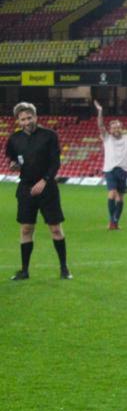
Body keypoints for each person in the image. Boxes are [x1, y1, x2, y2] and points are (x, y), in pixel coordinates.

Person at [5, 102, 71, 280]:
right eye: (22, 119)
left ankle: (64, 268)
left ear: (35, 117)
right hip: (25, 188)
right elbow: (11, 157)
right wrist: (13, 165)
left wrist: (44, 180)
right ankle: (24, 270)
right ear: (18, 120)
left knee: (55, 229)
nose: (26, 122)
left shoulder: (49, 136)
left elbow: (55, 163)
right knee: (26, 229)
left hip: (47, 188)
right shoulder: (14, 139)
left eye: (29, 118)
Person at [94, 100, 127, 230]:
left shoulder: (126, 137)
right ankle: (111, 220)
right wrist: (100, 112)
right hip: (110, 170)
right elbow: (100, 125)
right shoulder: (107, 137)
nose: (115, 129)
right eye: (113, 127)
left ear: (121, 128)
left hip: (123, 170)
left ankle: (115, 221)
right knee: (112, 193)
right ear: (110, 129)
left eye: (117, 127)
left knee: (120, 197)